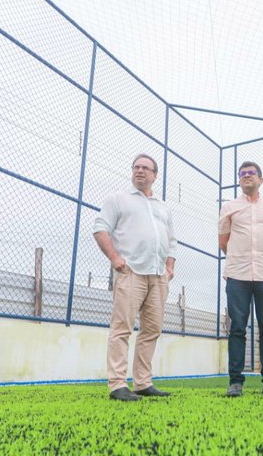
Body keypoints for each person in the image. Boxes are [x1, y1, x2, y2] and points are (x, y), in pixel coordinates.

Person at [93, 154, 177, 401]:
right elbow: (100, 228)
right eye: (136, 167)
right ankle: (117, 384)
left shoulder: (163, 206)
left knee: (152, 329)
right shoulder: (118, 199)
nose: (140, 171)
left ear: (155, 175)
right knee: (122, 328)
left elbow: (171, 240)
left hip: (159, 275)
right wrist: (115, 259)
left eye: (145, 168)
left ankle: (142, 382)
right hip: (131, 272)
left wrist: (170, 266)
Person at [218, 161, 263, 397]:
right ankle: (235, 382)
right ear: (239, 180)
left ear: (261, 179)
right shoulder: (229, 207)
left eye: (251, 173)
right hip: (237, 275)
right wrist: (241, 259)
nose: (246, 176)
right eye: (242, 174)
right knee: (237, 328)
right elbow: (223, 242)